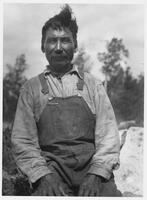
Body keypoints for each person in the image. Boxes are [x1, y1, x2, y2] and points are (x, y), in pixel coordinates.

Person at [11, 4, 122, 196]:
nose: (59, 47)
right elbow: (23, 141)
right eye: (52, 41)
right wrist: (44, 176)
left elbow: (109, 137)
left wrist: (96, 175)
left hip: (92, 170)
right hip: (51, 172)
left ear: (75, 45)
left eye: (65, 40)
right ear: (43, 46)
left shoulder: (93, 86)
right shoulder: (31, 89)